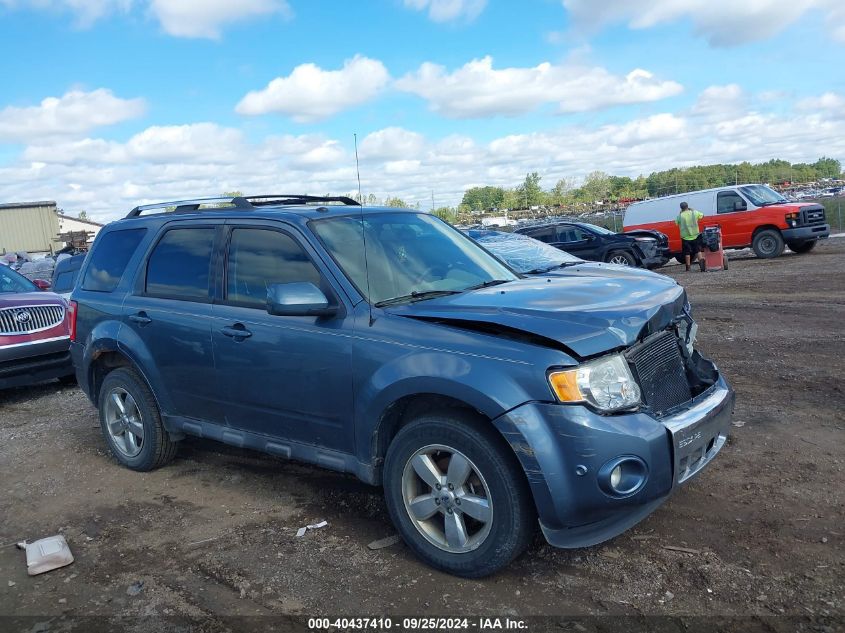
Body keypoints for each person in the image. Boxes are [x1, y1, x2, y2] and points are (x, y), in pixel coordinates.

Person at [676, 201, 704, 271]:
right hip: (695, 235)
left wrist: (680, 213)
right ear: (687, 206)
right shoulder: (694, 212)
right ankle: (701, 265)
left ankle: (688, 267)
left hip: (685, 237)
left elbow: (676, 223)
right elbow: (702, 216)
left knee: (687, 252)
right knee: (698, 250)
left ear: (681, 208)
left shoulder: (680, 216)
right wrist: (693, 210)